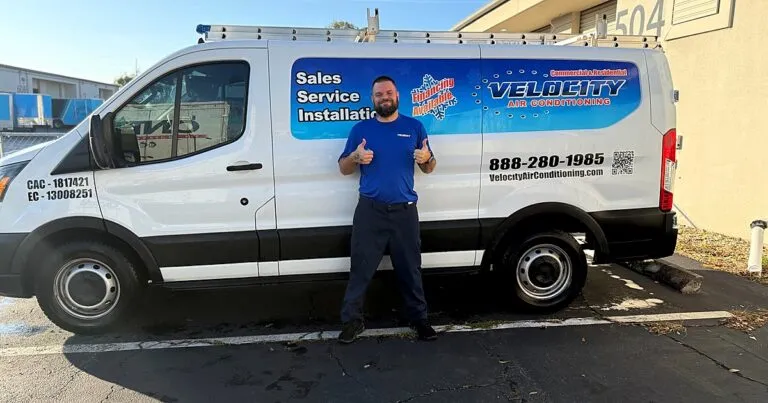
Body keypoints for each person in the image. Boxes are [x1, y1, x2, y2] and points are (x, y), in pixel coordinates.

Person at [336, 75, 438, 344]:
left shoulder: (414, 127)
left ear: (397, 96)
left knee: (410, 269)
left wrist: (427, 158)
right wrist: (355, 157)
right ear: (372, 99)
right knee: (360, 269)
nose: (384, 98)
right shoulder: (361, 130)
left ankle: (419, 319)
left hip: (405, 212)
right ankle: (352, 321)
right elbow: (343, 168)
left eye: (389, 93)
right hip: (371, 211)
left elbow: (429, 167)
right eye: (379, 94)